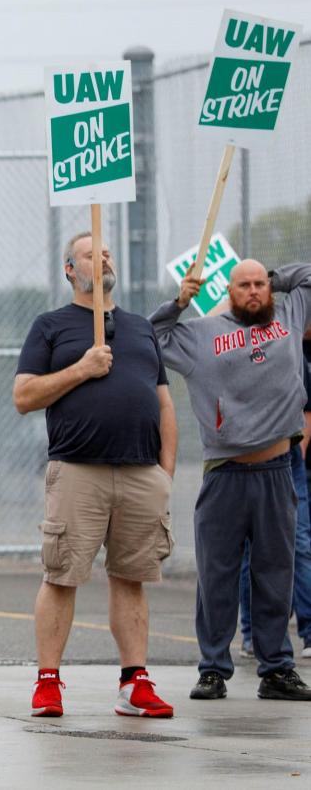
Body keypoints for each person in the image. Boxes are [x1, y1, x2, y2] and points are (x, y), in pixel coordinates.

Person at [13, 233, 178, 720]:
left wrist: (164, 474)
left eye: (107, 251)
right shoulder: (51, 327)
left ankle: (135, 682)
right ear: (69, 269)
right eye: (90, 252)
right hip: (78, 471)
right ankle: (48, 683)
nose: (103, 256)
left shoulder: (140, 329)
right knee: (62, 575)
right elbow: (24, 396)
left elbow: (164, 403)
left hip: (140, 473)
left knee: (131, 578)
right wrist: (82, 369)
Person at [152, 259, 311, 701]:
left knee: (275, 573)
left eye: (261, 284)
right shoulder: (204, 332)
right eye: (245, 285)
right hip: (225, 472)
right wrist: (179, 301)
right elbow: (153, 336)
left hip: (278, 471)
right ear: (228, 290)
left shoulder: (289, 314)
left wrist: (276, 278)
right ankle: (213, 669)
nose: (255, 291)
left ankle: (277, 668)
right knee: (217, 574)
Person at [239, 328, 311, 659]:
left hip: (287, 458)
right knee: (248, 550)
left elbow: (304, 413)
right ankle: (254, 635)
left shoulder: (290, 351)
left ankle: (306, 631)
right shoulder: (233, 352)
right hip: (244, 458)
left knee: (297, 544)